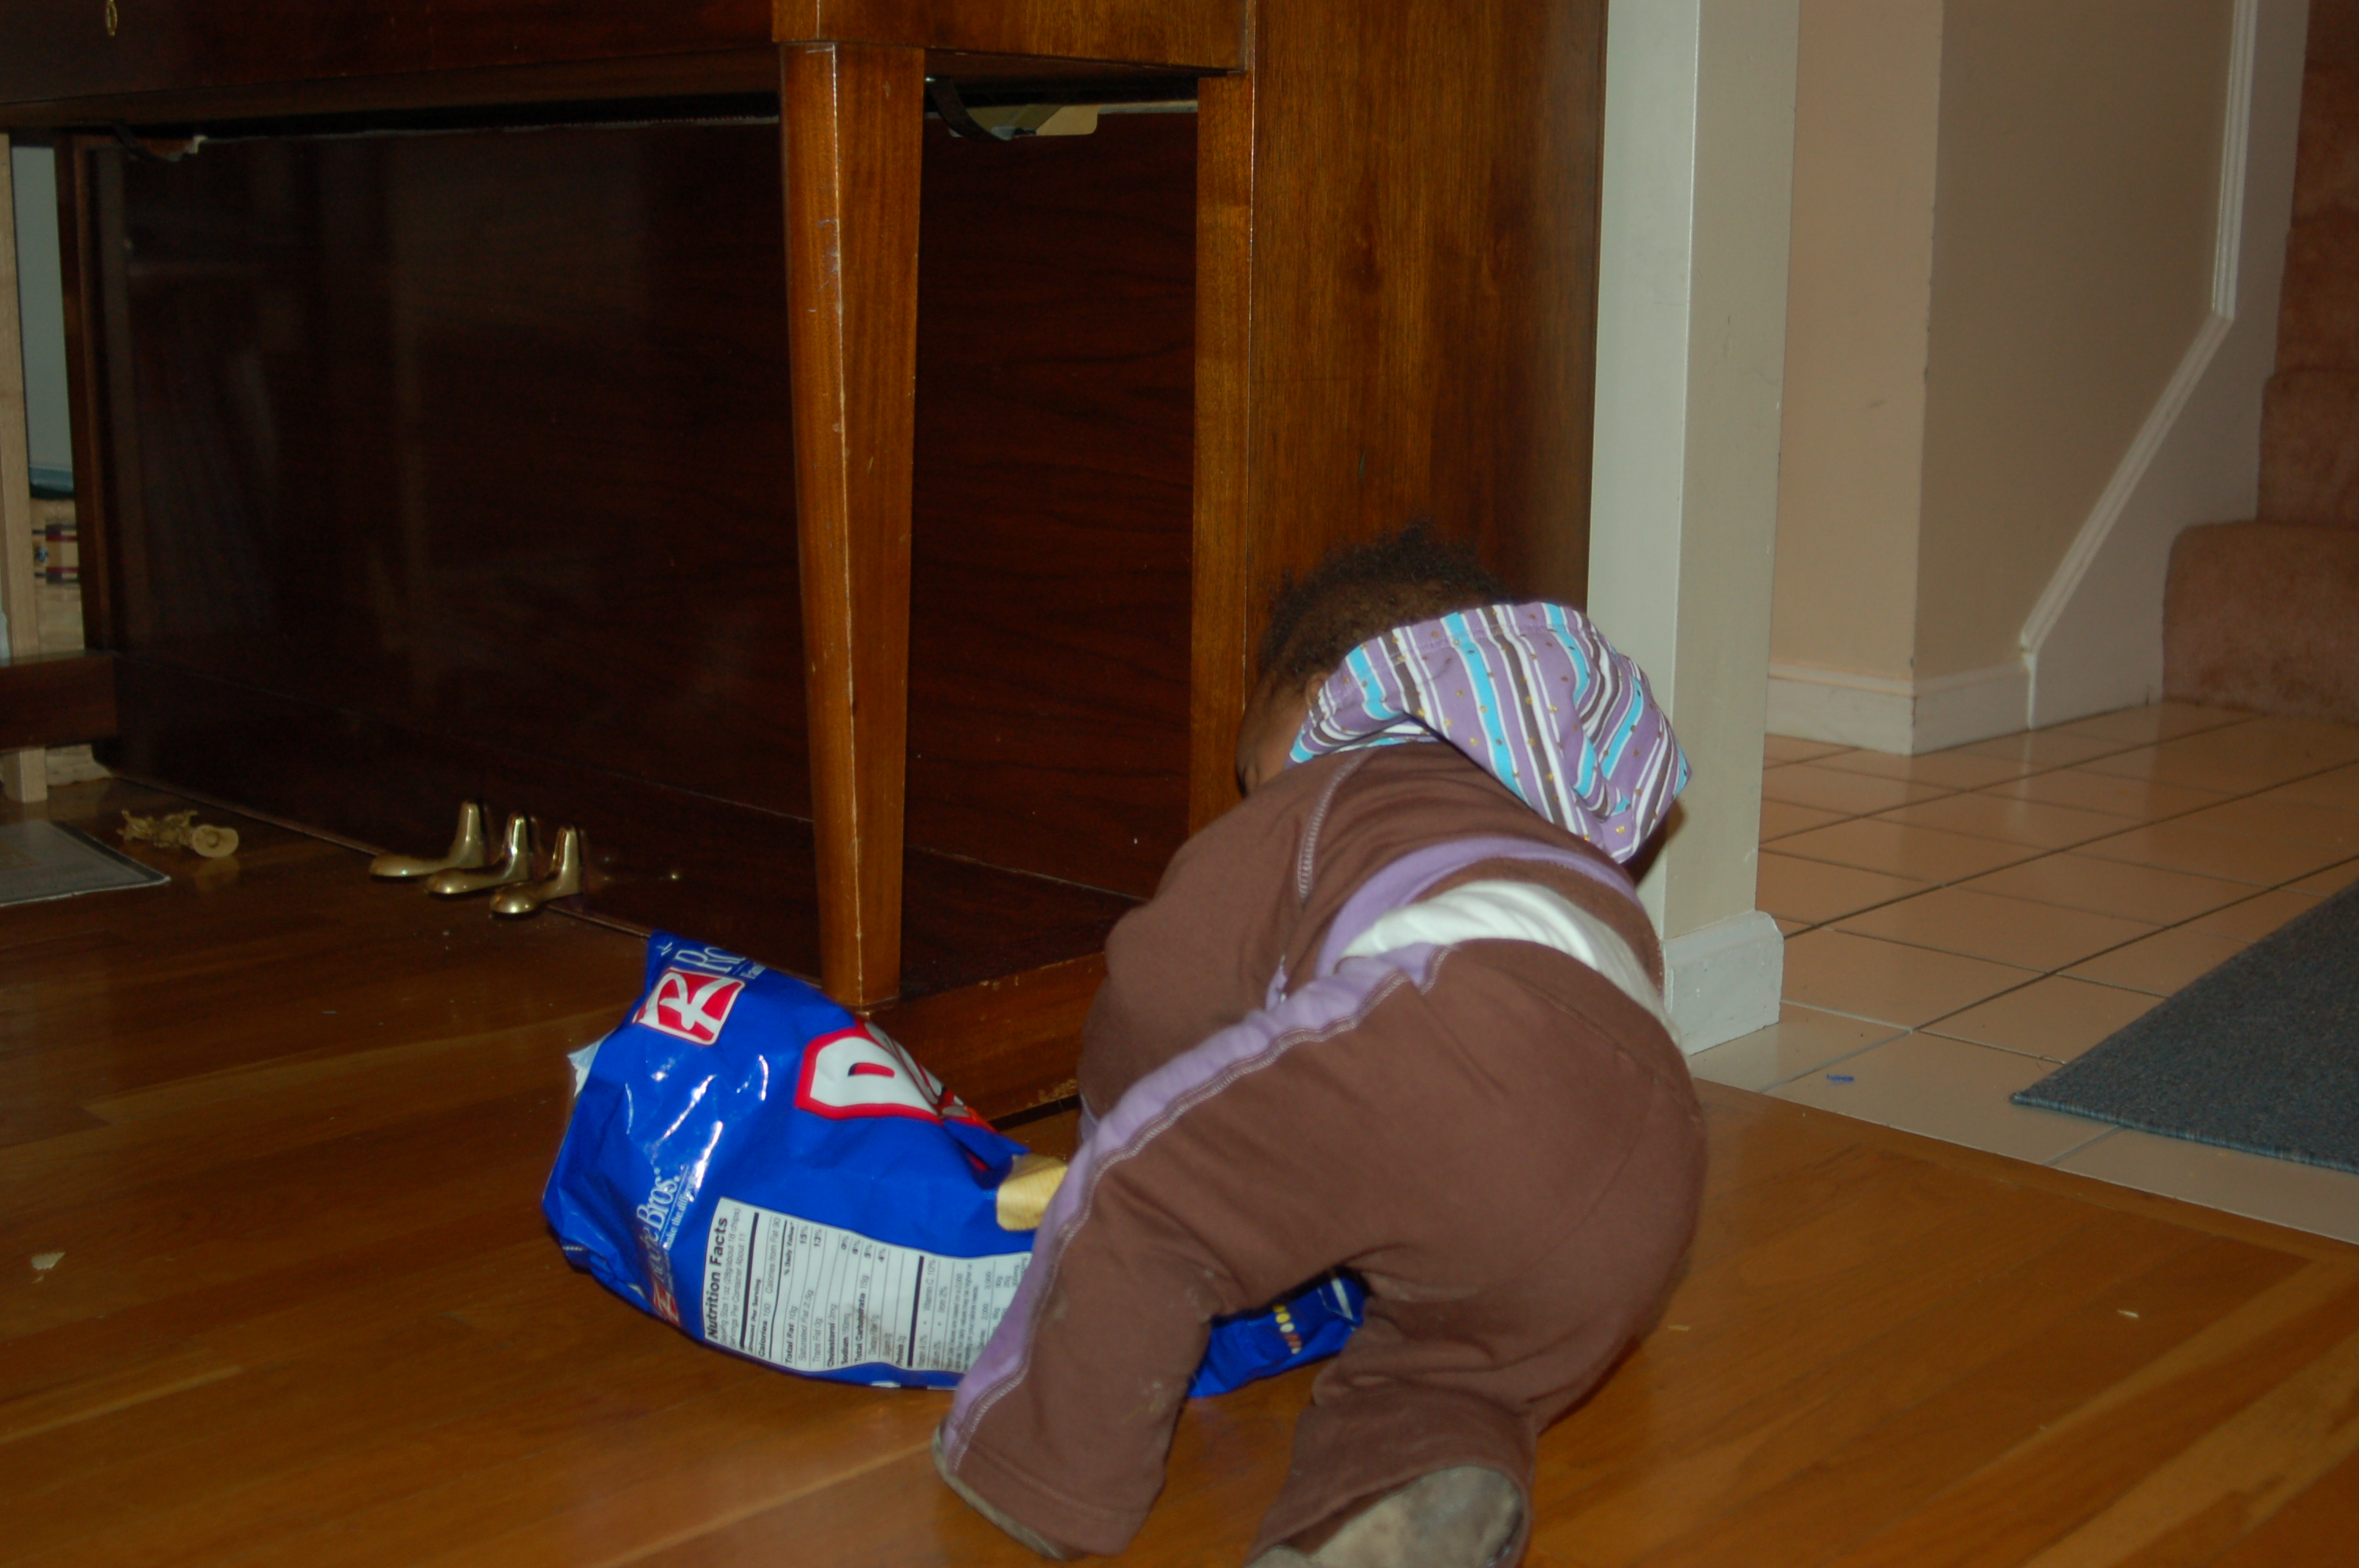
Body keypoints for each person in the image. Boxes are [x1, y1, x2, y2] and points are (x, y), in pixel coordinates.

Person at [935, 529, 1707, 1567]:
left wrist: (1110, 1139)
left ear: (1312, 697)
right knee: (1455, 1371)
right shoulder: (1550, 846)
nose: (1246, 790)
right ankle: (1407, 1489)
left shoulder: (1334, 788)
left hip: (1451, 1034)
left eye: (1246, 761)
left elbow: (1163, 986)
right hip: (1656, 1163)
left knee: (1143, 1196)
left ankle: (1038, 1477)